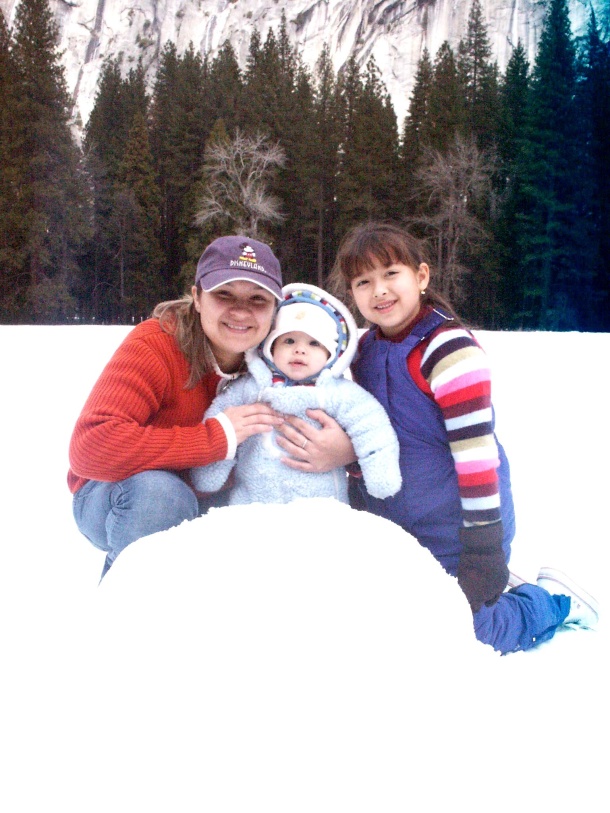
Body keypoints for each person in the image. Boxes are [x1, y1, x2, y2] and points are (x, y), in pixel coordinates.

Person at [329, 221, 599, 654]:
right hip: (400, 526)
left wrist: (483, 550)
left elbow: (478, 459)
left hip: (461, 530)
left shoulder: (447, 350)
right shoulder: (364, 351)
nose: (378, 291)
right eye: (364, 281)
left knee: (463, 635)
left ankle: (551, 602)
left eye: (390, 274)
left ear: (421, 276)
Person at [68, 236, 353, 578]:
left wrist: (345, 452)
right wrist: (217, 437)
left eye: (258, 299)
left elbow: (349, 414)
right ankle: (125, 612)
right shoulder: (156, 345)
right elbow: (91, 448)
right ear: (198, 298)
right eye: (224, 294)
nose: (241, 311)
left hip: (216, 496)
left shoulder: (283, 359)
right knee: (162, 496)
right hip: (119, 495)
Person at [190, 283, 402, 504]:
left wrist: (381, 476)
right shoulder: (253, 388)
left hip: (320, 507)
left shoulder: (339, 394)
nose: (299, 350)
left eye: (313, 343)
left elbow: (372, 426)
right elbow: (220, 419)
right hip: (252, 506)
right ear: (270, 348)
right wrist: (210, 470)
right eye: (289, 340)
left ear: (332, 354)